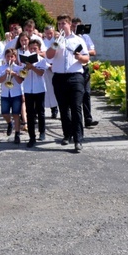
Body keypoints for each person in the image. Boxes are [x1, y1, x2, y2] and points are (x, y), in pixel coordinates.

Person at [46, 14, 89, 153]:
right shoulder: (56, 41)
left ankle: (78, 139)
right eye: (59, 24)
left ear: (70, 24)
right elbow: (49, 56)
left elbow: (86, 58)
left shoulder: (78, 40)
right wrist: (56, 42)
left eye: (64, 23)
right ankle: (67, 134)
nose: (61, 26)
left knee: (76, 108)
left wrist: (80, 57)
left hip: (76, 77)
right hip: (59, 78)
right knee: (64, 109)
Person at [21, 39, 50, 147]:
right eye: (31, 48)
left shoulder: (42, 60)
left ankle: (42, 132)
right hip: (28, 89)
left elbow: (41, 73)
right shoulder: (25, 61)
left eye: (35, 49)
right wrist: (26, 68)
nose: (33, 50)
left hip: (39, 89)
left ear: (39, 49)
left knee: (41, 111)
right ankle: (31, 137)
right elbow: (22, 75)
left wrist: (32, 67)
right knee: (30, 113)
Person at [72, 17, 99, 129]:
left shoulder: (85, 37)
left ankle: (88, 118)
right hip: (73, 69)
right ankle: (74, 120)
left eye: (78, 26)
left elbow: (93, 51)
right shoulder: (69, 38)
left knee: (87, 93)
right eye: (74, 26)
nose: (76, 28)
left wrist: (83, 52)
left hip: (84, 67)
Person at [0, 48, 25, 144]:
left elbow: (20, 81)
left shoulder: (18, 68)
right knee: (5, 113)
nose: (10, 58)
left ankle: (17, 134)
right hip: (5, 93)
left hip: (16, 93)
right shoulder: (1, 68)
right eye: (8, 56)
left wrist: (14, 74)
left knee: (16, 114)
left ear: (15, 57)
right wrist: (5, 74)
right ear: (5, 57)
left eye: (12, 56)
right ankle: (9, 123)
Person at [42, 25, 59, 119]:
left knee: (59, 89)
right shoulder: (43, 43)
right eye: (47, 33)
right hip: (47, 68)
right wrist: (48, 66)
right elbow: (42, 56)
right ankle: (54, 109)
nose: (49, 35)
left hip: (57, 67)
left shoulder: (56, 41)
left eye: (51, 33)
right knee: (50, 90)